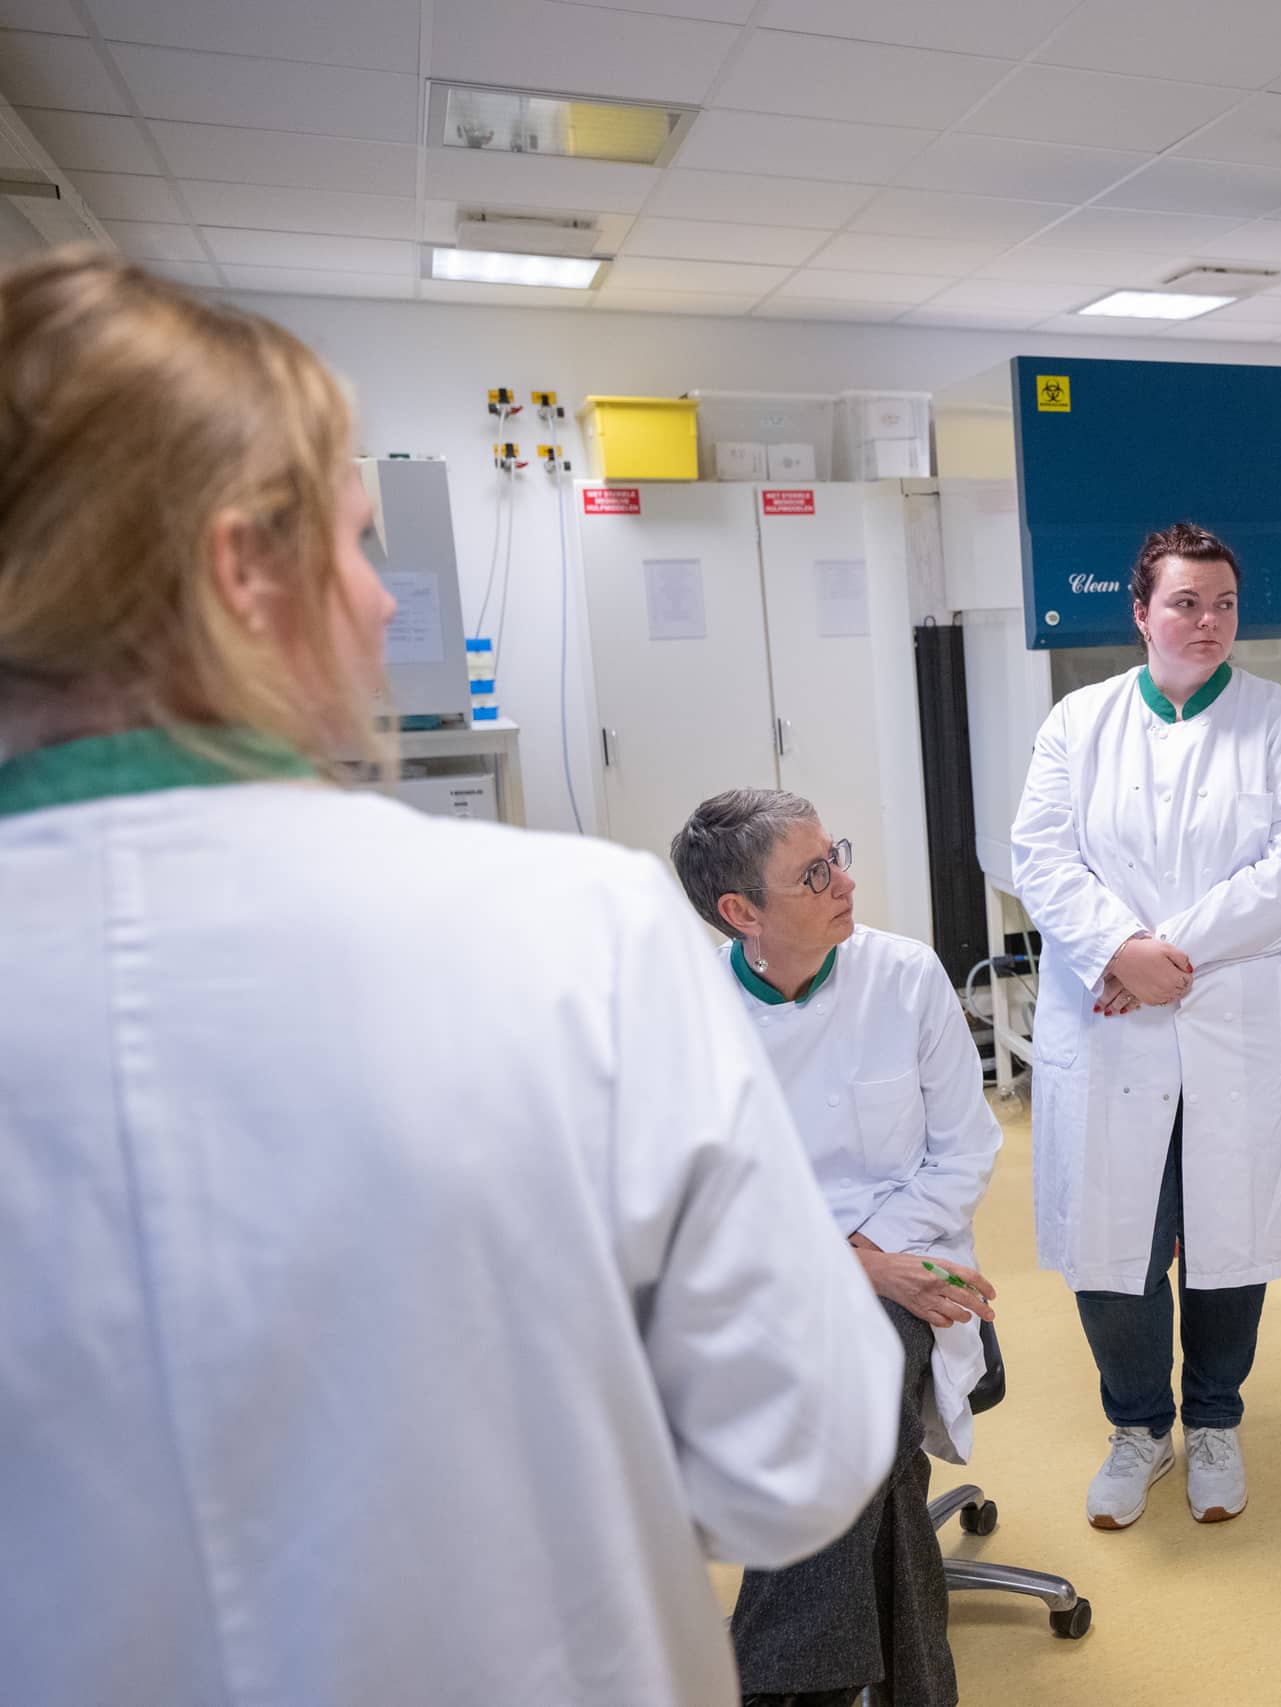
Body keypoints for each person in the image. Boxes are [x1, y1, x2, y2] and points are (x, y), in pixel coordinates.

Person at [0, 250, 905, 1705]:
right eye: (361, 545)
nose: (379, 603)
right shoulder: (570, 931)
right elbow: (792, 1463)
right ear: (242, 569)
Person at [1010, 521, 1281, 1531]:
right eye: (1186, 603)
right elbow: (1040, 856)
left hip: (1232, 1026)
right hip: (1114, 1026)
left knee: (1228, 1237)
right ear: (1141, 610)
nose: (1207, 623)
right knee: (1116, 1240)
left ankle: (1212, 1422)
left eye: (1224, 604)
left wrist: (1164, 956)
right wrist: (1117, 950)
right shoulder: (1080, 722)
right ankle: (1137, 1426)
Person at [672, 790, 1004, 1707]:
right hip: (760, 1281)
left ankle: (773, 1686)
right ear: (741, 913)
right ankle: (909, 1688)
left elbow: (967, 1149)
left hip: (916, 1254)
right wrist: (857, 1265)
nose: (845, 881)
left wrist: (875, 1256)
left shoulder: (904, 975)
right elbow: (704, 1205)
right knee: (868, 1422)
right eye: (813, 874)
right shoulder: (690, 1016)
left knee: (860, 1375)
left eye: (837, 855)